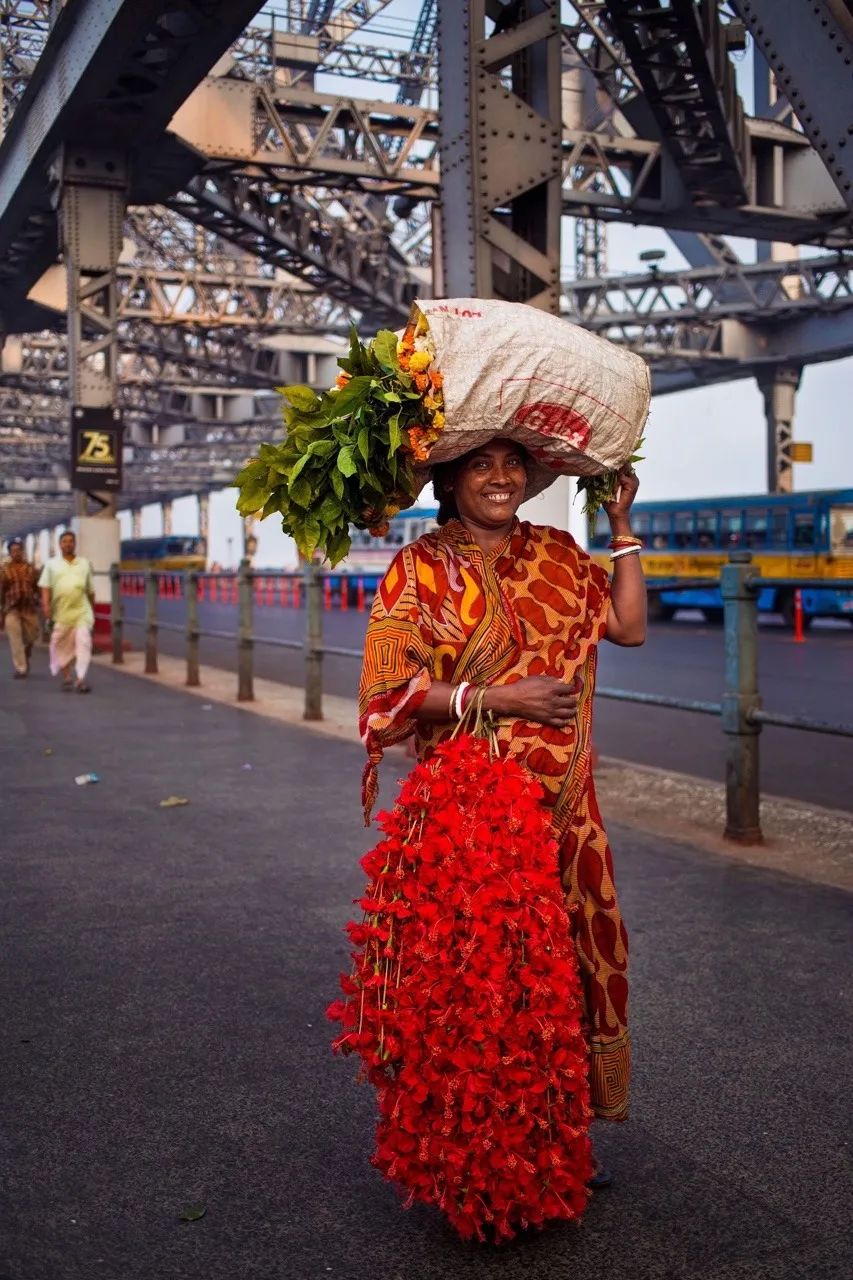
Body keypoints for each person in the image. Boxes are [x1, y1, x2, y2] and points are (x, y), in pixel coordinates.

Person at [359, 438, 646, 1175]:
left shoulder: (555, 552)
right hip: (471, 820)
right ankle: (478, 1166)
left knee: (563, 975)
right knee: (482, 989)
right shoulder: (416, 570)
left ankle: (551, 1149)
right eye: (480, 465)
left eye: (511, 464)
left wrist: (620, 527)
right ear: (449, 480)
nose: (499, 478)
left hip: (564, 811)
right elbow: (386, 702)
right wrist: (497, 697)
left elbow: (627, 626)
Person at [39, 530, 96, 693]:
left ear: (75, 544)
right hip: (61, 613)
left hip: (81, 612)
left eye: (71, 541)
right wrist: (46, 606)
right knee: (60, 645)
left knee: (84, 644)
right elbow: (45, 587)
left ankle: (81, 679)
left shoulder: (84, 563)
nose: (68, 544)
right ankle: (67, 677)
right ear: (59, 544)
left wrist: (92, 609)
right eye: (65, 541)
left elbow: (91, 590)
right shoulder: (51, 564)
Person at [0, 537, 41, 679]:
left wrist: (41, 600)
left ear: (22, 551)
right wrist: (1, 612)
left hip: (29, 608)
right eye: (13, 551)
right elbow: (1, 591)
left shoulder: (31, 569)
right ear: (10, 553)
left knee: (32, 636)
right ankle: (21, 668)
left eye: (18, 550)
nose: (16, 553)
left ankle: (26, 653)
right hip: (12, 609)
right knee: (15, 639)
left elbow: (38, 587)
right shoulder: (4, 570)